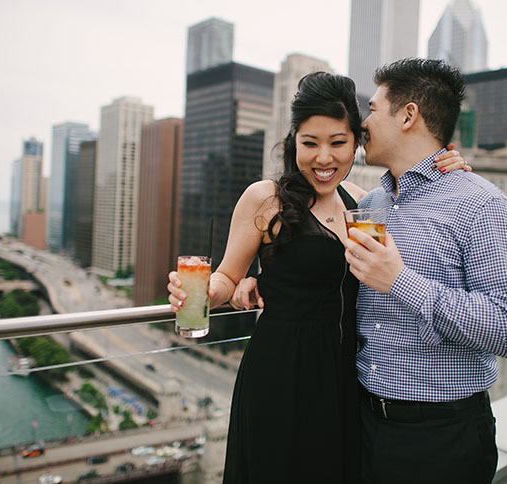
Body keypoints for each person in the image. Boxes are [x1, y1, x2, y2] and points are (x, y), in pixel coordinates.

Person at [167, 71, 469, 484]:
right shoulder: (265, 198)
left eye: (338, 143)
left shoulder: (365, 205)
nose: (323, 158)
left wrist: (448, 161)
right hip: (279, 374)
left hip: (345, 377)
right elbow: (223, 276)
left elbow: (383, 269)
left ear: (356, 143)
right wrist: (201, 293)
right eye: (310, 143)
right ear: (294, 142)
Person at [342, 58, 507, 484]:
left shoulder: (483, 206)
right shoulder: (370, 205)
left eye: (373, 109)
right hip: (363, 425)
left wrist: (401, 282)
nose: (363, 123)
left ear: (409, 114)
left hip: (442, 439)